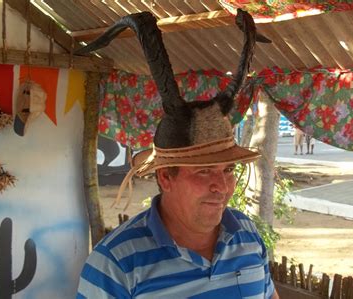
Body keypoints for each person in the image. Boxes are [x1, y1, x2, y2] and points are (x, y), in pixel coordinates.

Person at [75, 10, 278, 298]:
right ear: (165, 177)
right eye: (204, 171)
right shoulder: (116, 264)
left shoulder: (246, 234)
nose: (221, 186)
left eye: (228, 170)